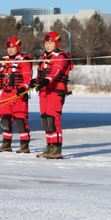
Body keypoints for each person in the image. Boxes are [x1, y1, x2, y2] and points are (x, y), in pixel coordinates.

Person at [31, 31, 73, 159]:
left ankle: (57, 148)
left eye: (51, 43)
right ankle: (49, 146)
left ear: (57, 43)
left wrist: (47, 80)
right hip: (44, 92)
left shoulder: (61, 57)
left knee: (53, 120)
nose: (48, 46)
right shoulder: (44, 57)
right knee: (45, 120)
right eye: (46, 43)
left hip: (55, 92)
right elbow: (41, 74)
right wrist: (34, 82)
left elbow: (56, 70)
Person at [0, 37, 33, 153]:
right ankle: (6, 144)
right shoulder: (3, 62)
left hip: (18, 95)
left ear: (18, 48)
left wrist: (23, 88)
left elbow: (27, 77)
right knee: (5, 120)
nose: (10, 50)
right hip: (5, 95)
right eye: (8, 48)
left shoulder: (24, 61)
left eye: (13, 48)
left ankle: (24, 145)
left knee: (20, 120)